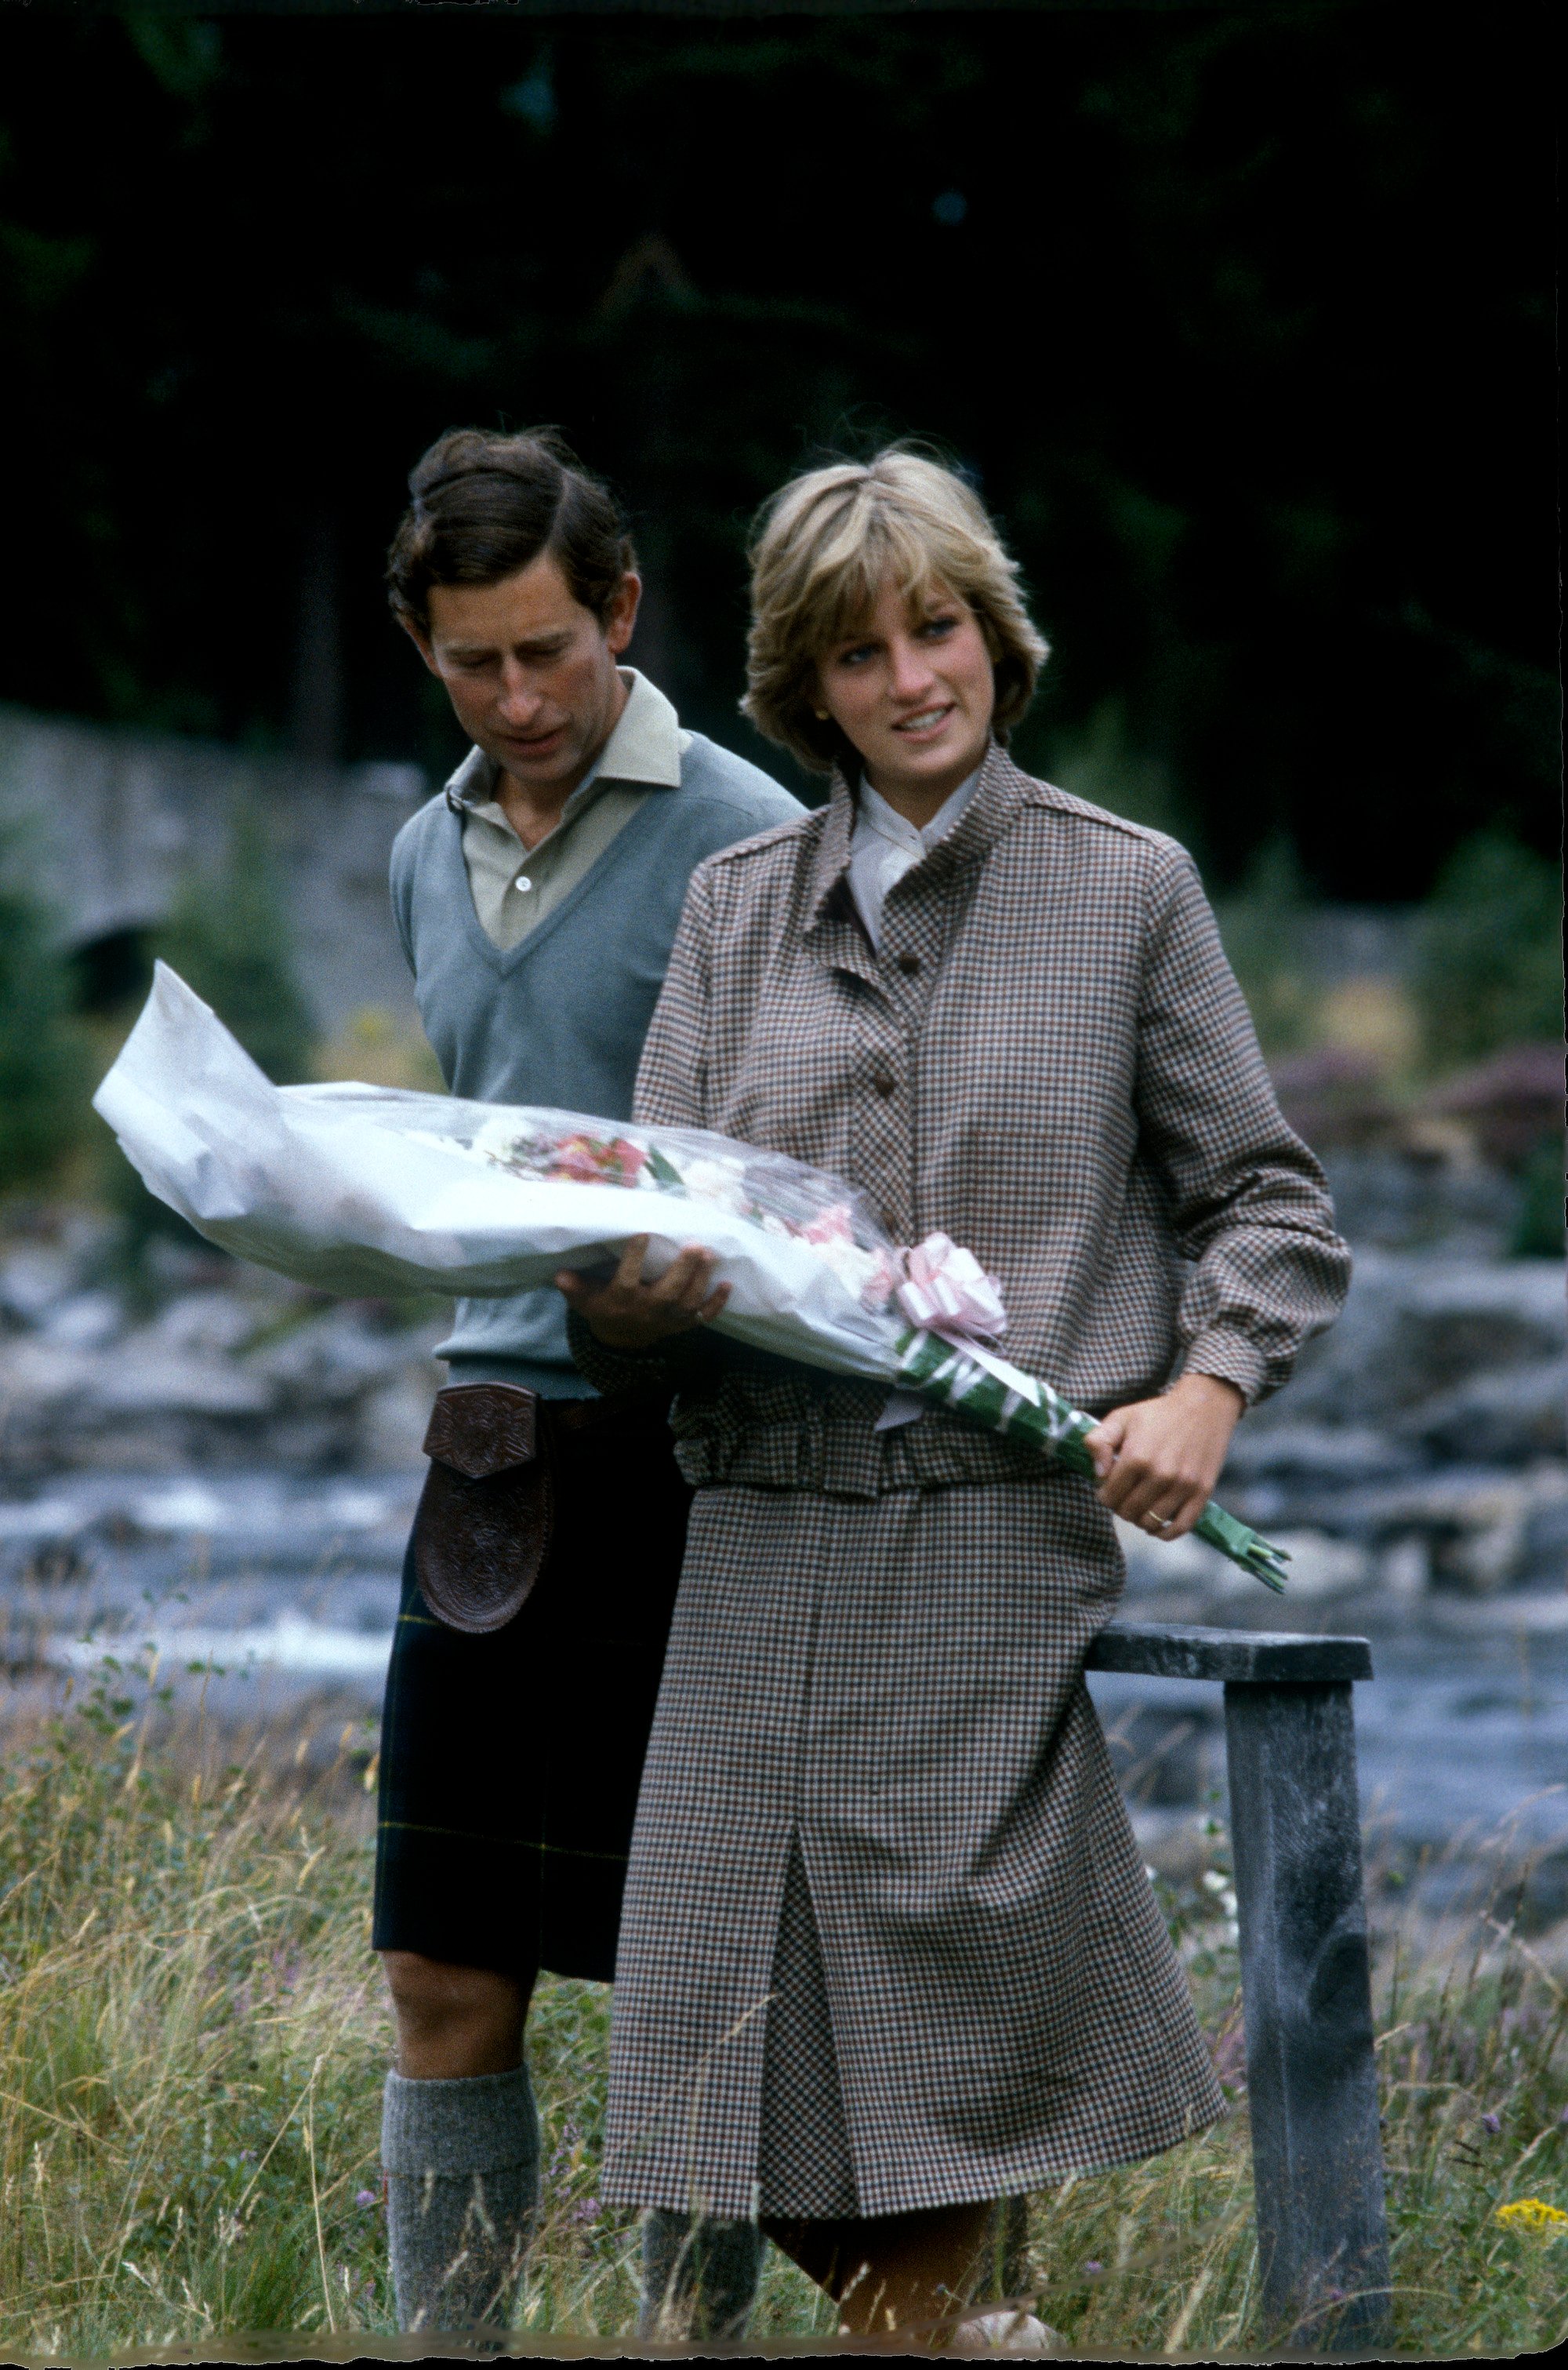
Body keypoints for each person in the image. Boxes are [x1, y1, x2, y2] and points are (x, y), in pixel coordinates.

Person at [561, 447, 1352, 2350]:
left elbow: (1267, 1198)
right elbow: (654, 1234)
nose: (912, 677)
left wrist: (1207, 1386)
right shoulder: (737, 908)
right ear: (804, 688)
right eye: (858, 650)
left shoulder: (1125, 889)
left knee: (930, 2032)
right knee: (707, 2061)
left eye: (938, 627)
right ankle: (961, 2343)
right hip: (751, 1539)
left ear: (993, 631)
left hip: (988, 1548)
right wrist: (628, 1295)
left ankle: (942, 2333)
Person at [372, 426, 801, 2336]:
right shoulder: (419, 851)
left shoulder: (747, 831)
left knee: (685, 1975)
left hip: (700, 1463)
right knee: (443, 1971)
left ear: (623, 609)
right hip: (486, 1466)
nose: (521, 697)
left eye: (551, 647)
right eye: (476, 660)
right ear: (425, 647)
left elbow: (804, 1181)